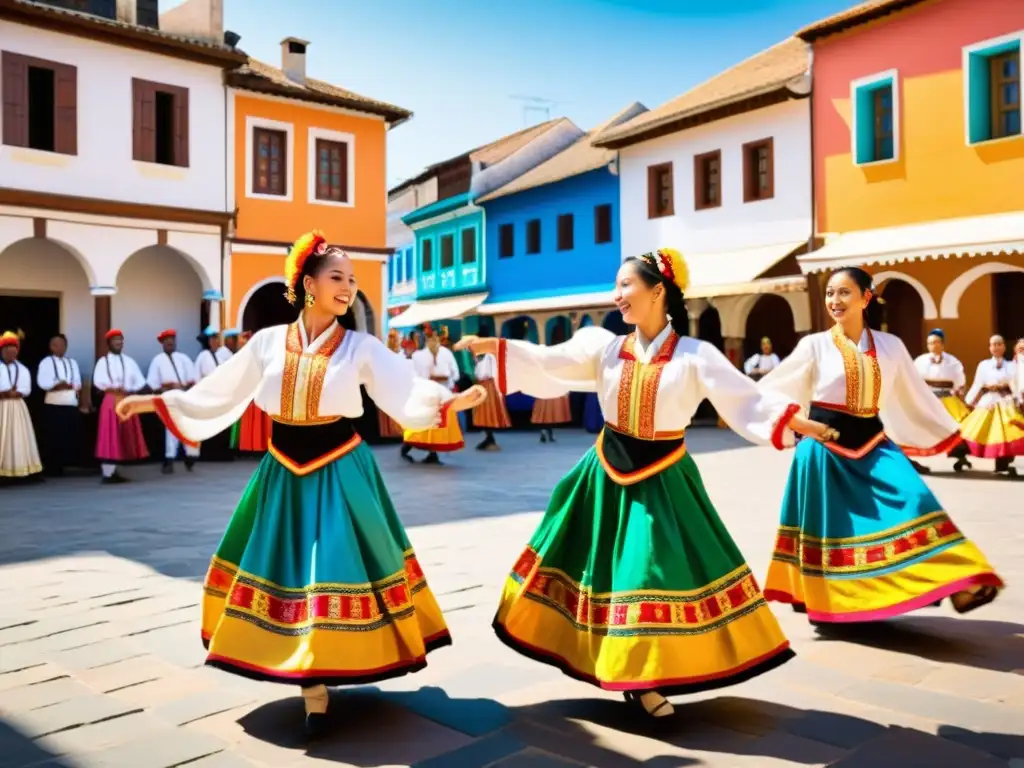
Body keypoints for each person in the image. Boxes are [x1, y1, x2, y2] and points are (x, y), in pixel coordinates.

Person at [116, 231, 487, 739]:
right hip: (282, 469)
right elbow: (220, 390)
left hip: (340, 469)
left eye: (354, 280)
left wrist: (449, 402)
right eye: (338, 277)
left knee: (335, 569)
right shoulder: (268, 342)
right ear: (307, 284)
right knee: (285, 570)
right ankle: (306, 676)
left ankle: (322, 672)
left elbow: (402, 386)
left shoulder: (359, 345)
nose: (349, 287)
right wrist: (158, 404)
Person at [454, 248, 820, 718]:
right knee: (602, 574)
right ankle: (629, 673)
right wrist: (500, 348)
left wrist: (792, 420)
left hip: (663, 480)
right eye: (617, 285)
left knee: (646, 575)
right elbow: (553, 361)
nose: (617, 294)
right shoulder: (604, 349)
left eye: (626, 285)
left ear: (658, 291)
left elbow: (744, 399)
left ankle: (642, 676)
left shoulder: (695, 355)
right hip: (604, 475)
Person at [758, 267, 1003, 624]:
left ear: (865, 298)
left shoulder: (891, 346)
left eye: (843, 293)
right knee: (835, 531)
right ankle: (834, 601)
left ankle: (960, 583)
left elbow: (913, 396)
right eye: (829, 293)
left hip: (873, 442)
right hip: (823, 451)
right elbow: (767, 392)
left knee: (916, 501)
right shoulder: (815, 345)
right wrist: (804, 425)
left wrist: (951, 432)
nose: (834, 301)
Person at [958, 335, 1022, 477]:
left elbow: (1016, 385)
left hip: (1005, 402)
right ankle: (961, 457)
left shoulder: (1012, 366)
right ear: (989, 347)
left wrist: (1018, 400)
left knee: (1006, 433)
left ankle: (1003, 463)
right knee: (977, 430)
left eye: (999, 344)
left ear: (1004, 347)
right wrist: (969, 401)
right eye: (993, 344)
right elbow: (977, 383)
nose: (996, 347)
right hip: (987, 402)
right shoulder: (983, 365)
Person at [402, 324, 464, 464]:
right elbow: (455, 375)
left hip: (431, 395)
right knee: (431, 423)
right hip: (438, 395)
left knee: (428, 424)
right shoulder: (425, 355)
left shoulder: (421, 356)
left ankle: (420, 450)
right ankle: (421, 450)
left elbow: (415, 377)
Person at [912, 329, 972, 474]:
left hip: (948, 399)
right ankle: (917, 458)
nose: (933, 345)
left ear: (943, 344)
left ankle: (959, 455)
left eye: (936, 342)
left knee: (957, 426)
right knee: (920, 427)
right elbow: (913, 379)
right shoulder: (920, 361)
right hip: (928, 399)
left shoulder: (953, 361)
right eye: (930, 343)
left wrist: (960, 393)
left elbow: (960, 381)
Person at [93, 329, 149, 484]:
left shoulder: (129, 361)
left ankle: (114, 470)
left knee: (122, 436)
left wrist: (130, 389)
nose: (119, 342)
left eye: (120, 340)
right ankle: (107, 473)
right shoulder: (103, 362)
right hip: (111, 400)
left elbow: (140, 381)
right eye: (115, 340)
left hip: (126, 399)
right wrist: (113, 388)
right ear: (109, 343)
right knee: (109, 435)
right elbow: (98, 381)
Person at [147, 329, 199, 474]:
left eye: (172, 339)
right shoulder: (157, 360)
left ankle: (191, 456)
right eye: (167, 340)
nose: (170, 342)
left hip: (184, 397)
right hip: (168, 398)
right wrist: (167, 386)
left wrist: (183, 386)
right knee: (171, 428)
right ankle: (169, 459)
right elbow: (153, 384)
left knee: (188, 427)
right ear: (162, 343)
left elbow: (193, 379)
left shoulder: (184, 358)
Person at [36, 333, 83, 476]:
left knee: (68, 435)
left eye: (63, 345)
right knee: (53, 436)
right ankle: (53, 467)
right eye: (56, 345)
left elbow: (78, 382)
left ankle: (66, 464)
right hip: (54, 404)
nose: (60, 348)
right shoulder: (46, 362)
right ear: (51, 347)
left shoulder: (72, 362)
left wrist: (67, 385)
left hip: (70, 403)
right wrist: (57, 385)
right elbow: (43, 382)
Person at [0, 331, 43, 482]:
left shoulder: (23, 369)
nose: (10, 352)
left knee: (18, 437)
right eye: (6, 350)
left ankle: (20, 471)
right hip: (1, 406)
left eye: (13, 349)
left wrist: (15, 393)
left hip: (17, 407)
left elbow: (27, 389)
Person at [194, 327, 235, 462]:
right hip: (207, 396)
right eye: (215, 339)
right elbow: (203, 376)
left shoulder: (218, 357)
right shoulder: (203, 356)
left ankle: (221, 452)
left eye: (218, 339)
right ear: (209, 341)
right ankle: (209, 454)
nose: (218, 342)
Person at [472, 331, 511, 451]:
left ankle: (490, 437)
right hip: (486, 384)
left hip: (488, 384)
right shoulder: (486, 355)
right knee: (484, 414)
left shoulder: (489, 355)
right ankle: (489, 437)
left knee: (487, 413)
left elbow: (485, 372)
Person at [377, 329, 405, 440]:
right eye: (393, 339)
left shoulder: (401, 353)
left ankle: (399, 432)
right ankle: (393, 432)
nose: (395, 341)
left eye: (396, 339)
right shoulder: (385, 353)